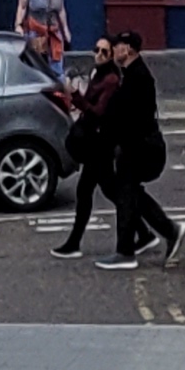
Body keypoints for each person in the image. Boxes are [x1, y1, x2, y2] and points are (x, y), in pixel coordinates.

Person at [95, 29, 180, 267]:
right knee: (127, 192)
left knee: (126, 192)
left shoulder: (139, 78)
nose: (114, 49)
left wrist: (111, 140)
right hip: (136, 147)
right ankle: (156, 234)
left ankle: (127, 252)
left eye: (118, 45)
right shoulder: (130, 75)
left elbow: (129, 118)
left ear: (129, 49)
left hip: (142, 149)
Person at [49, 37, 121, 256]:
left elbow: (98, 112)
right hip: (96, 143)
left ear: (112, 56)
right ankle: (146, 231)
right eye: (96, 49)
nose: (98, 55)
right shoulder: (98, 74)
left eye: (104, 52)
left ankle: (74, 243)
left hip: (100, 144)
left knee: (91, 191)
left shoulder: (111, 79)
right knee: (108, 190)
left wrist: (75, 96)